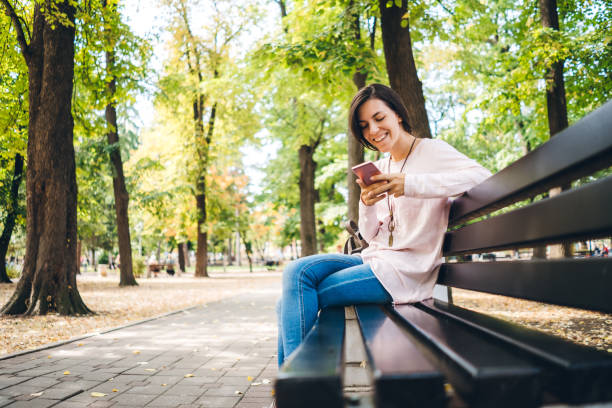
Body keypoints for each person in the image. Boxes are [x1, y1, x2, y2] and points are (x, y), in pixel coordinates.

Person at [275, 84, 492, 372]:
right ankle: (295, 387)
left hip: (406, 270)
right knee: (296, 273)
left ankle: (296, 387)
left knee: (292, 301)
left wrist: (411, 185)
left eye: (379, 118)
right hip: (377, 258)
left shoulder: (432, 151)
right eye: (364, 126)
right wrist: (366, 202)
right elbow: (370, 235)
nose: (373, 131)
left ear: (398, 114)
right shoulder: (382, 164)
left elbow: (483, 177)